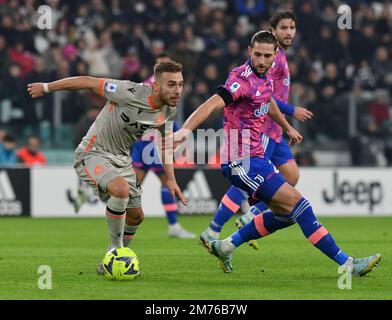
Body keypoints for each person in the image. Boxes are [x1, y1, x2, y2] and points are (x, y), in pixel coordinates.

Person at [174, 30, 381, 276]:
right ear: (249, 51)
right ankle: (347, 264)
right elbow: (212, 104)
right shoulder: (242, 79)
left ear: (275, 56)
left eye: (267, 56)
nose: (261, 60)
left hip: (258, 158)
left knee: (287, 215)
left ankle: (225, 246)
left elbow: (267, 100)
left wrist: (287, 127)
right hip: (241, 161)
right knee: (300, 205)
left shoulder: (266, 77)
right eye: (257, 54)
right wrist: (185, 130)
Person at [27, 61, 188, 275]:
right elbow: (88, 81)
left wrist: (170, 178)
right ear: (156, 86)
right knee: (120, 190)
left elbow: (166, 143)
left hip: (122, 160)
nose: (177, 90)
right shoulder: (128, 91)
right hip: (92, 153)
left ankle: (109, 262)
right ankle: (115, 250)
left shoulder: (169, 110)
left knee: (136, 217)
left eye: (180, 84)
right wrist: (47, 87)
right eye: (171, 84)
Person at [200, 10, 313, 250]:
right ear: (272, 31)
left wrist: (287, 126)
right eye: (283, 27)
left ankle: (247, 218)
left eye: (292, 28)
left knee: (291, 176)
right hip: (259, 128)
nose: (289, 32)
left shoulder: (278, 57)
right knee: (250, 178)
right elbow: (258, 93)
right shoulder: (270, 58)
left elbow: (267, 93)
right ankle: (216, 228)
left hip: (276, 130)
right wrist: (291, 111)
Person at [132, 53, 196, 239]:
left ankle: (173, 225)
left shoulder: (153, 84)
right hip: (149, 143)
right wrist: (177, 131)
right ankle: (172, 226)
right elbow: (157, 114)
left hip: (148, 143)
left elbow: (164, 115)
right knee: (146, 185)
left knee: (145, 186)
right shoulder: (154, 86)